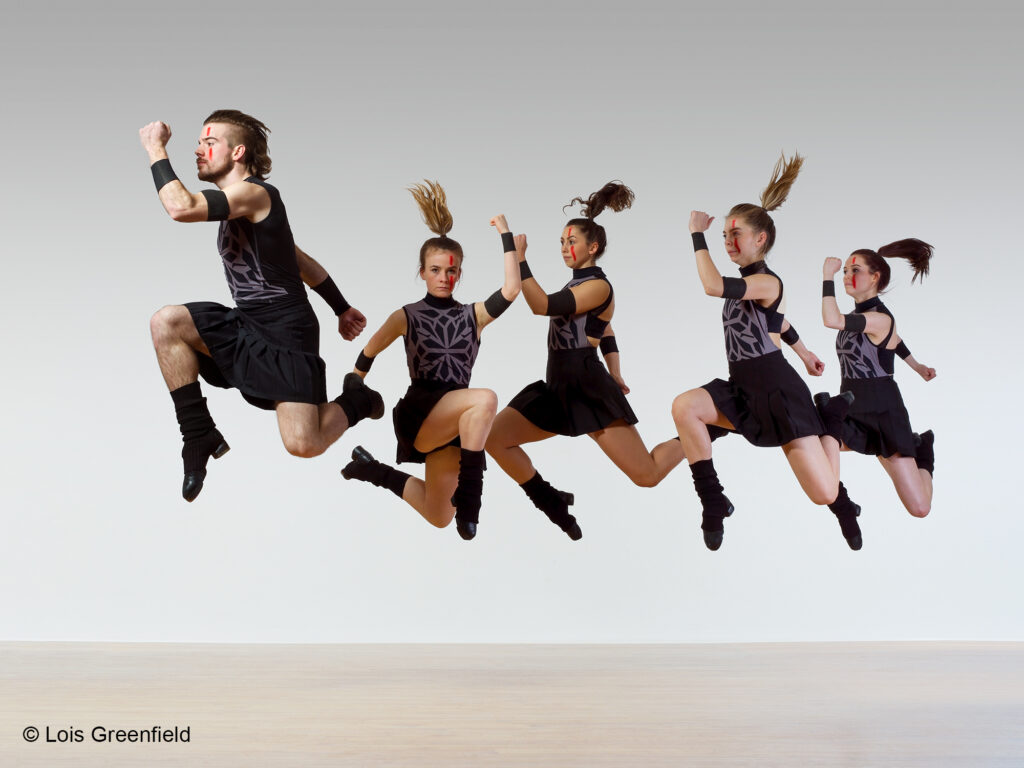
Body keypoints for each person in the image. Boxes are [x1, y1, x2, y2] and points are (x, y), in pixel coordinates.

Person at [140, 110, 382, 502]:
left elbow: (181, 207)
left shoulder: (256, 193)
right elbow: (297, 259)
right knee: (166, 323)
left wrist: (154, 149)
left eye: (209, 142)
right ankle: (198, 434)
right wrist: (341, 306)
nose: (199, 150)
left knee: (303, 443)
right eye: (200, 143)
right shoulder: (241, 205)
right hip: (248, 320)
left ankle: (358, 399)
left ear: (237, 152)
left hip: (287, 329)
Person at [671, 153, 864, 551]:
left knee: (823, 493)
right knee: (684, 406)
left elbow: (711, 286)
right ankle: (713, 501)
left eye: (734, 233)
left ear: (760, 239)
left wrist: (696, 234)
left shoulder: (765, 281)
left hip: (778, 391)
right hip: (743, 385)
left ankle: (831, 418)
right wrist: (806, 352)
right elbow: (779, 323)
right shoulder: (756, 285)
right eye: (723, 235)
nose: (727, 242)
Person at [485, 182, 686, 541]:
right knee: (495, 438)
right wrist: (618, 370)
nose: (565, 248)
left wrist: (517, 254)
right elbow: (605, 330)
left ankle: (702, 432)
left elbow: (540, 305)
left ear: (592, 247)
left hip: (587, 389)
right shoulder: (576, 286)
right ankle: (550, 500)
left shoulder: (598, 286)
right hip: (556, 387)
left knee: (647, 476)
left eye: (572, 241)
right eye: (562, 242)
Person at [340, 181, 521, 540]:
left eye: (451, 271)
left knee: (438, 515)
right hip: (422, 413)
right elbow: (369, 352)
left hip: (461, 426)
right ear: (422, 271)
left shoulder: (474, 316)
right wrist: (354, 384)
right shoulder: (406, 315)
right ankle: (472, 498)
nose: (444, 277)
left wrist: (506, 236)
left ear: (459, 273)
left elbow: (511, 290)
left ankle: (371, 470)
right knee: (485, 398)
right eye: (435, 270)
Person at [820, 240, 936, 518]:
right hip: (850, 406)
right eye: (845, 271)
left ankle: (924, 450)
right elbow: (895, 341)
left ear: (875, 277)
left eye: (854, 270)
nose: (847, 276)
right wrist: (917, 365)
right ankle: (843, 506)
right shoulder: (863, 316)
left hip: (884, 413)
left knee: (919, 508)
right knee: (813, 436)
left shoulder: (880, 317)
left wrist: (827, 277)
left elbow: (831, 320)